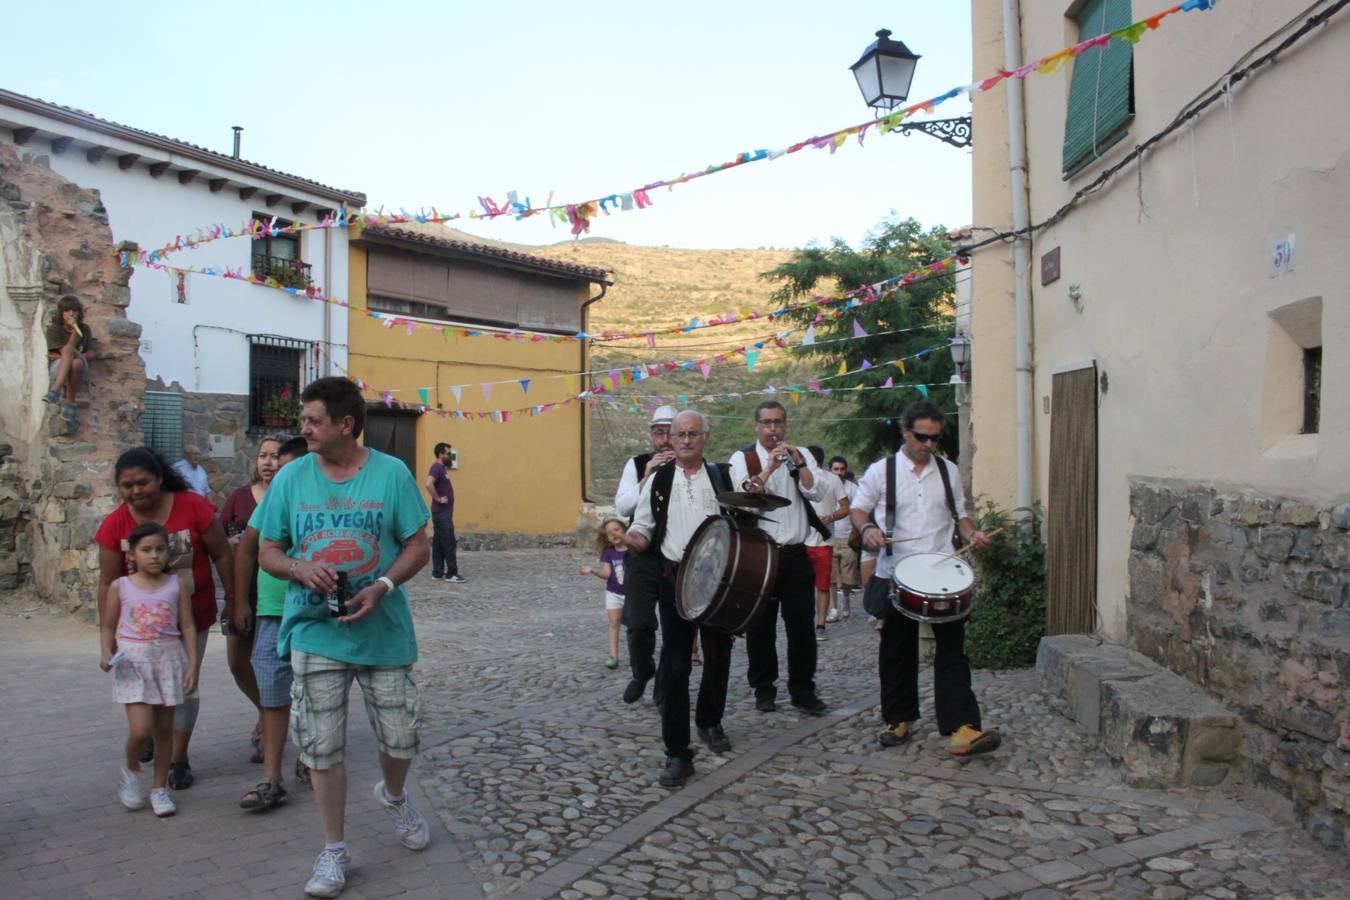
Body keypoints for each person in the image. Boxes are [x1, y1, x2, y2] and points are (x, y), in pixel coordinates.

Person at [255, 376, 432, 898]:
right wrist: (298, 568)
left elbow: (418, 546)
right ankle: (333, 850)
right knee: (321, 746)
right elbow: (267, 551)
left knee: (401, 738)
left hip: (383, 630)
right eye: (304, 421)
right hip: (316, 631)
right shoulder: (291, 479)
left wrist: (382, 584)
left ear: (345, 425)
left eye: (312, 421)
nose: (303, 429)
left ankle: (395, 796)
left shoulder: (391, 474)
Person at [850, 400, 999, 756]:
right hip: (896, 573)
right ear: (905, 432)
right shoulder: (881, 471)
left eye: (935, 439)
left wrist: (972, 534)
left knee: (953, 651)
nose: (930, 445)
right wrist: (868, 528)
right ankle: (898, 719)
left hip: (943, 573)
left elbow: (959, 516)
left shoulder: (947, 470)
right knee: (897, 652)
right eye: (922, 438)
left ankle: (963, 728)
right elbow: (858, 508)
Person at [95, 447, 234, 790]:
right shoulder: (115, 524)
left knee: (184, 689)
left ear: (159, 478)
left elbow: (222, 553)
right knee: (143, 690)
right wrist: (107, 632)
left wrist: (235, 601)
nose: (135, 491)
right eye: (126, 485)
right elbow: (107, 581)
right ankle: (148, 736)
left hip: (191, 620)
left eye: (143, 482)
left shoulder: (192, 507)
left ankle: (177, 758)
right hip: (139, 632)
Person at [626, 410, 736, 787]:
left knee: (719, 657)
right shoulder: (659, 479)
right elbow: (642, 526)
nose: (686, 440)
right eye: (679, 435)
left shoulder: (722, 477)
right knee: (674, 667)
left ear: (705, 437)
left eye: (693, 434)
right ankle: (677, 752)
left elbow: (740, 524)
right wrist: (632, 539)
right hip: (674, 582)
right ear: (669, 439)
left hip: (717, 584)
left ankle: (710, 721)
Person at [730, 401, 830, 716]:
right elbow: (745, 501)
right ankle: (764, 688)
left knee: (801, 624)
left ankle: (803, 689)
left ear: (785, 425)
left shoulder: (802, 454)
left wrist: (799, 465)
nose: (773, 429)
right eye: (767, 423)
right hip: (762, 554)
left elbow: (817, 493)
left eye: (779, 423)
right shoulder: (742, 458)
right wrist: (769, 467)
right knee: (761, 626)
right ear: (756, 426)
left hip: (796, 552)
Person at [231, 435, 310, 811]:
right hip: (272, 611)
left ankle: (311, 757)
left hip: (315, 612)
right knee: (273, 692)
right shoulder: (274, 501)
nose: (283, 472)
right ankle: (271, 776)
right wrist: (240, 601)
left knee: (315, 689)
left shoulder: (325, 501)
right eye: (281, 466)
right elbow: (247, 551)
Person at [101, 523, 198, 818]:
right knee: (141, 730)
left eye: (160, 549)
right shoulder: (122, 586)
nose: (154, 556)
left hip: (168, 662)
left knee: (163, 731)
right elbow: (107, 625)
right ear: (132, 554)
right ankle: (131, 770)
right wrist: (106, 652)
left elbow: (188, 625)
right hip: (133, 665)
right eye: (146, 550)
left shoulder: (175, 585)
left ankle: (159, 789)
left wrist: (192, 664)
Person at [220, 436, 283, 764]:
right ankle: (265, 711)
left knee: (272, 665)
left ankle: (271, 725)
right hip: (245, 592)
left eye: (274, 456)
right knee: (237, 662)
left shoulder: (289, 495)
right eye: (263, 456)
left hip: (278, 595)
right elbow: (220, 541)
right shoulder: (239, 499)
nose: (268, 462)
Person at [613, 405, 677, 705]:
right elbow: (623, 507)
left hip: (677, 556)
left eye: (669, 433)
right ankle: (642, 670)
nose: (664, 440)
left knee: (676, 626)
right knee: (638, 623)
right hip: (643, 553)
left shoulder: (692, 466)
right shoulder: (637, 464)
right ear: (652, 435)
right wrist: (647, 476)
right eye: (658, 433)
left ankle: (664, 688)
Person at [803, 446, 849, 640]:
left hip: (824, 541)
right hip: (800, 540)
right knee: (802, 586)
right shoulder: (796, 479)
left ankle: (820, 624)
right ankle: (804, 622)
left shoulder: (832, 480)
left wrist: (830, 517)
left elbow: (846, 507)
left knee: (822, 585)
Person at [579, 517, 627, 670]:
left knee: (635, 627)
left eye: (616, 530)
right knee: (614, 623)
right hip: (614, 593)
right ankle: (613, 656)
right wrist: (593, 570)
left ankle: (639, 655)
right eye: (609, 533)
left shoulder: (633, 550)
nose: (613, 534)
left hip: (632, 594)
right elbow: (607, 574)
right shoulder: (609, 553)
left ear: (624, 530)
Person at [44, 294, 89, 429]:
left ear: (79, 312)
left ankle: (55, 391)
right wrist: (70, 355)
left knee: (69, 350)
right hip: (58, 368)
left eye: (74, 310)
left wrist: (75, 328)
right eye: (67, 310)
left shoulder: (84, 328)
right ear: (61, 313)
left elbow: (92, 352)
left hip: (81, 360)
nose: (71, 313)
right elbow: (52, 355)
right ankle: (70, 404)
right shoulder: (54, 329)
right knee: (75, 362)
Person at [425, 442, 465, 583]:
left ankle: (437, 572)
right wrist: (438, 498)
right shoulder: (436, 468)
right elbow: (428, 483)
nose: (450, 456)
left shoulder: (442, 469)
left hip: (442, 513)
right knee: (448, 542)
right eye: (448, 453)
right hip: (442, 513)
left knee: (438, 542)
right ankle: (452, 574)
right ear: (441, 454)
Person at [827, 456, 859, 621]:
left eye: (842, 469)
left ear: (845, 470)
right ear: (830, 470)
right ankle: (833, 609)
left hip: (847, 539)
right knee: (831, 578)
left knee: (848, 579)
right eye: (835, 469)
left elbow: (858, 512)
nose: (839, 472)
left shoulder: (852, 488)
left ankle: (845, 598)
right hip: (829, 538)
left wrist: (857, 531)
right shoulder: (825, 487)